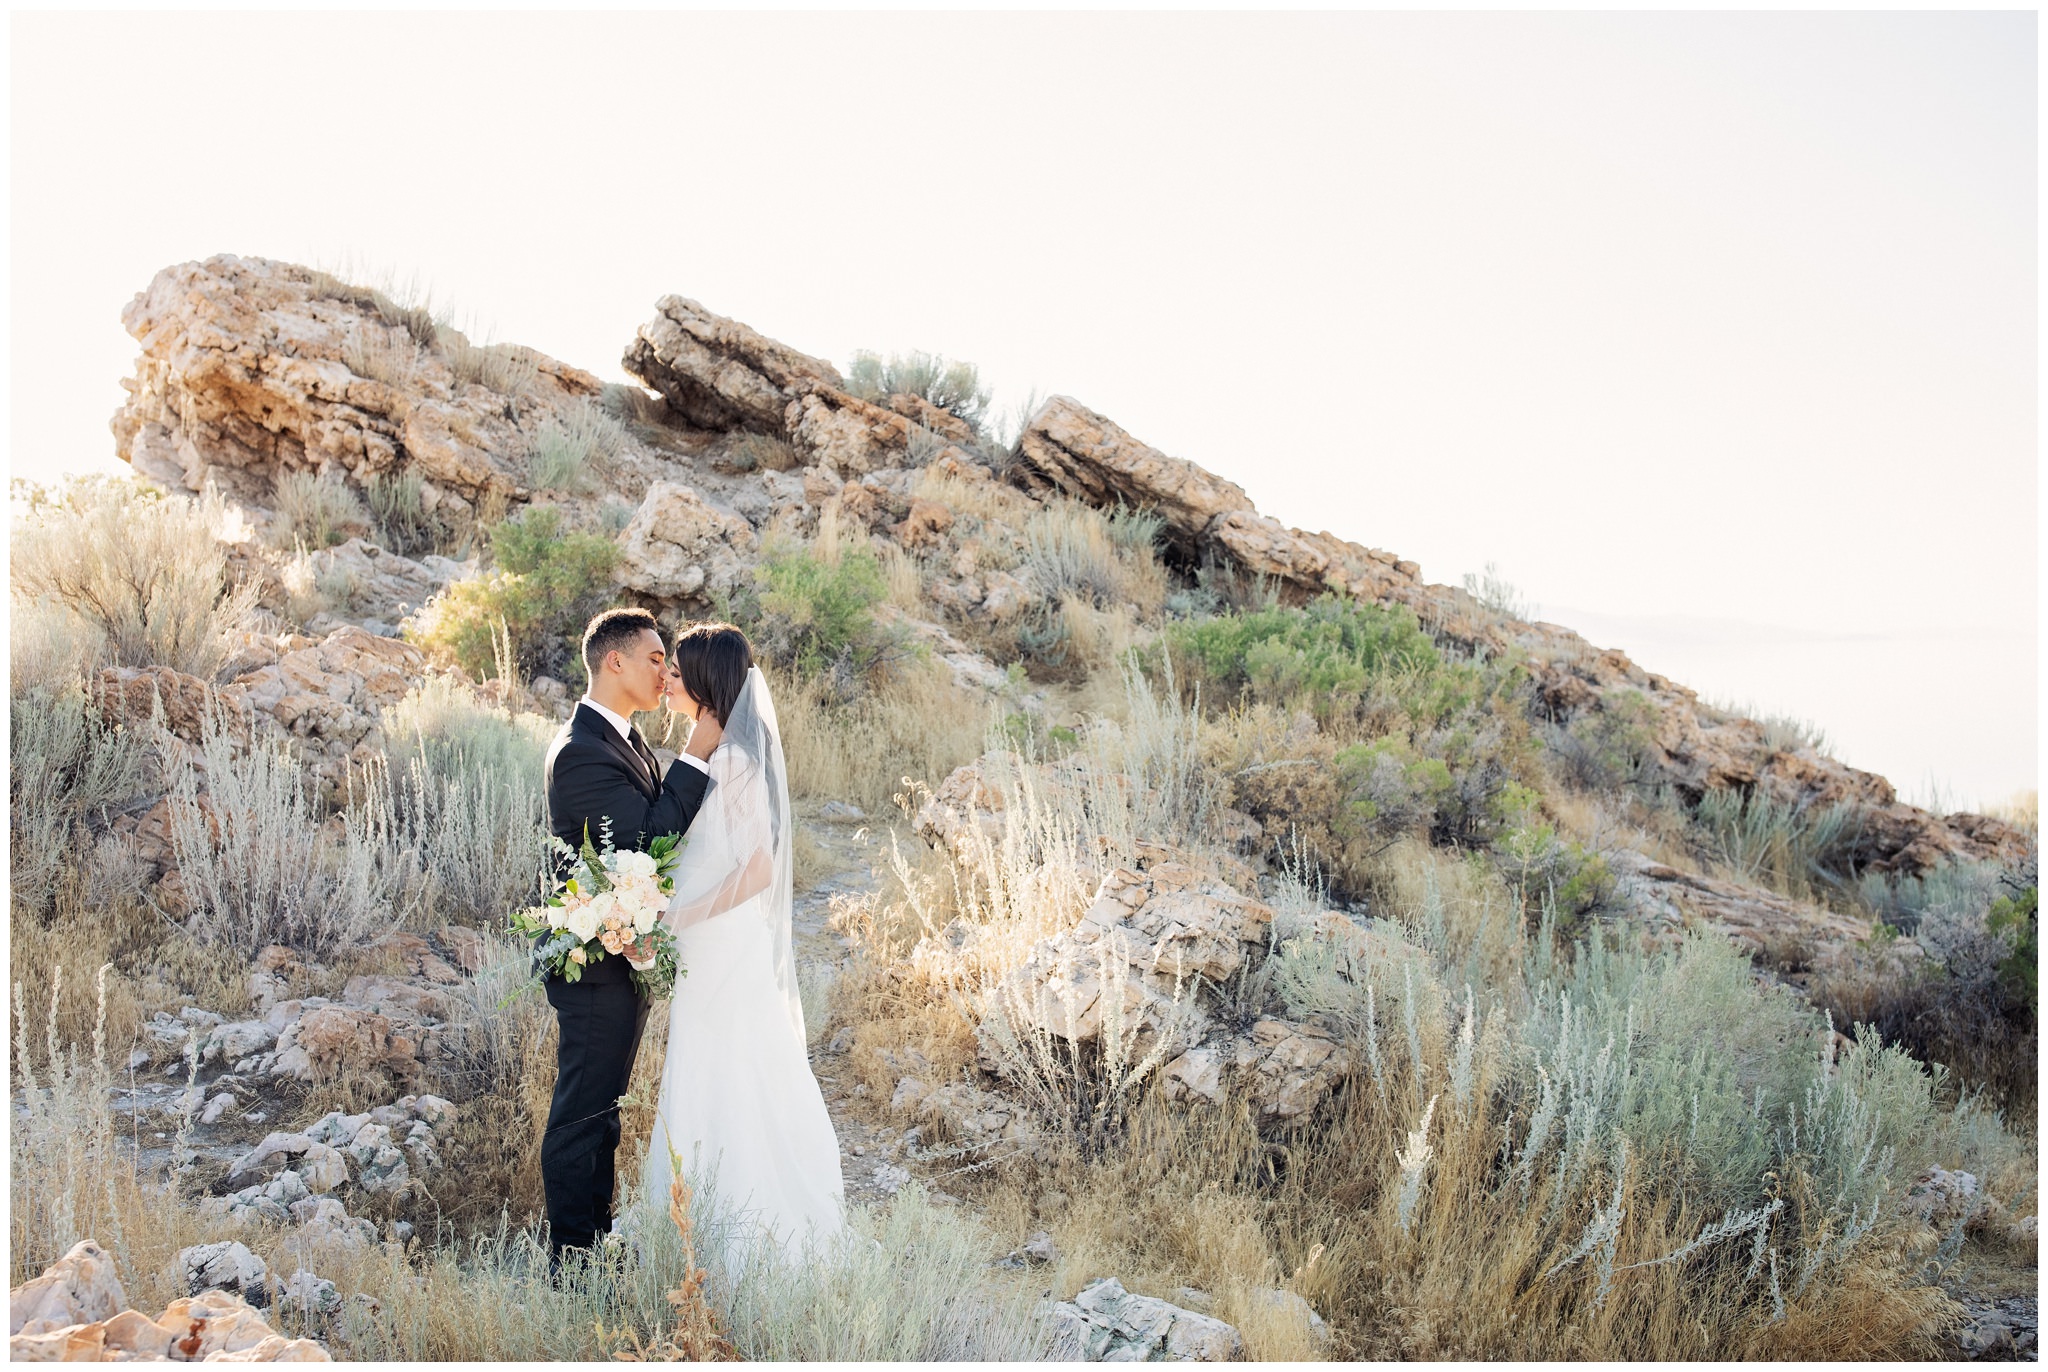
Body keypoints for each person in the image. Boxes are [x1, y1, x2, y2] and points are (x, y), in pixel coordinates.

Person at [641, 622, 845, 1265]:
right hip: (713, 942)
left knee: (726, 1070)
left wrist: (682, 917)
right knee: (708, 1068)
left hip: (721, 942)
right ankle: (696, 1224)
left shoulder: (732, 761)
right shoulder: (717, 752)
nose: (667, 680)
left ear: (702, 684)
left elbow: (757, 867)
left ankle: (743, 1237)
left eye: (676, 671)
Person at [539, 607, 723, 1269]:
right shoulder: (581, 751)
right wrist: (699, 750)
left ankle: (595, 1241)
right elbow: (649, 840)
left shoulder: (626, 739)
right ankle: (570, 1260)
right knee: (581, 1113)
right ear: (613, 661)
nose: (665, 670)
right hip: (592, 968)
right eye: (654, 658)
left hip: (624, 958)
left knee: (603, 1113)